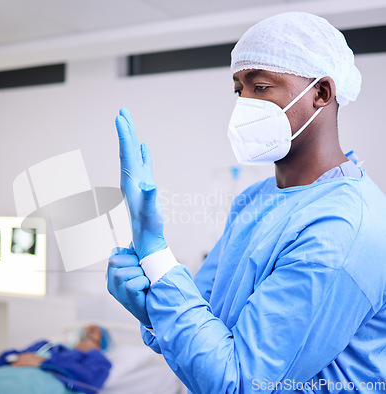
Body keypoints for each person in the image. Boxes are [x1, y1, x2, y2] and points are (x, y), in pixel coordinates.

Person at [107, 12, 386, 393]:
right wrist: (154, 305)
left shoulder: (343, 229)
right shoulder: (255, 200)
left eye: (261, 87)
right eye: (240, 89)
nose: (245, 104)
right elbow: (209, 325)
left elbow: (240, 381)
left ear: (321, 93)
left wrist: (157, 256)